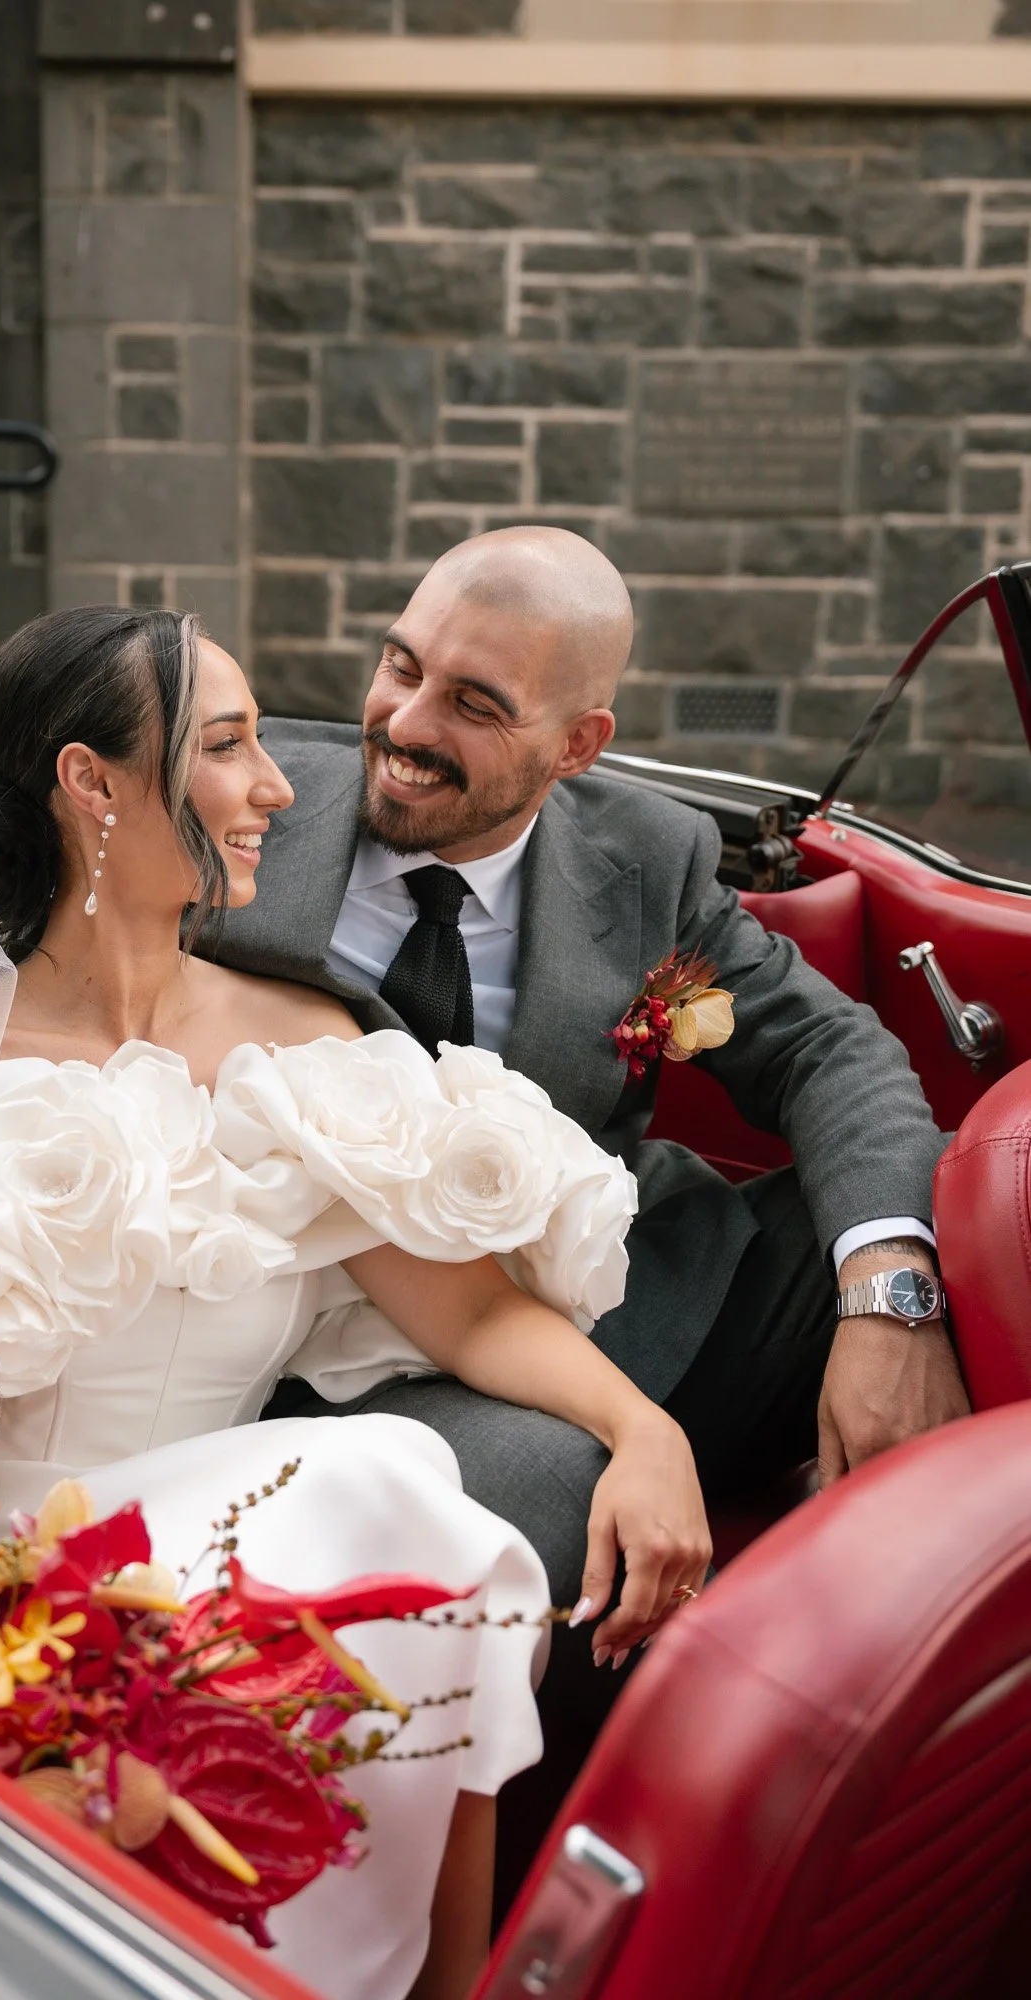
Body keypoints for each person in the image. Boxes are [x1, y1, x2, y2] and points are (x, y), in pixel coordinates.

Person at [0, 606, 710, 2000]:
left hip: (227, 1560)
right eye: (227, 746)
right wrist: (15, 1711)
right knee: (397, 1485)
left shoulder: (303, 1048)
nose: (281, 786)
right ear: (93, 784)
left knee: (444, 1528)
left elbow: (467, 1316)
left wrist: (648, 1435)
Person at [211, 525, 971, 1875]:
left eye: (477, 706)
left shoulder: (651, 863)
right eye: (402, 666)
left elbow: (832, 1050)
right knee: (547, 1489)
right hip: (363, 1359)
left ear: (577, 746)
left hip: (644, 1283)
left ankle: (943, 1658)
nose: (406, 723)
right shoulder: (245, 814)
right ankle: (641, 1861)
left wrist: (889, 1302)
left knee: (977, 1225)